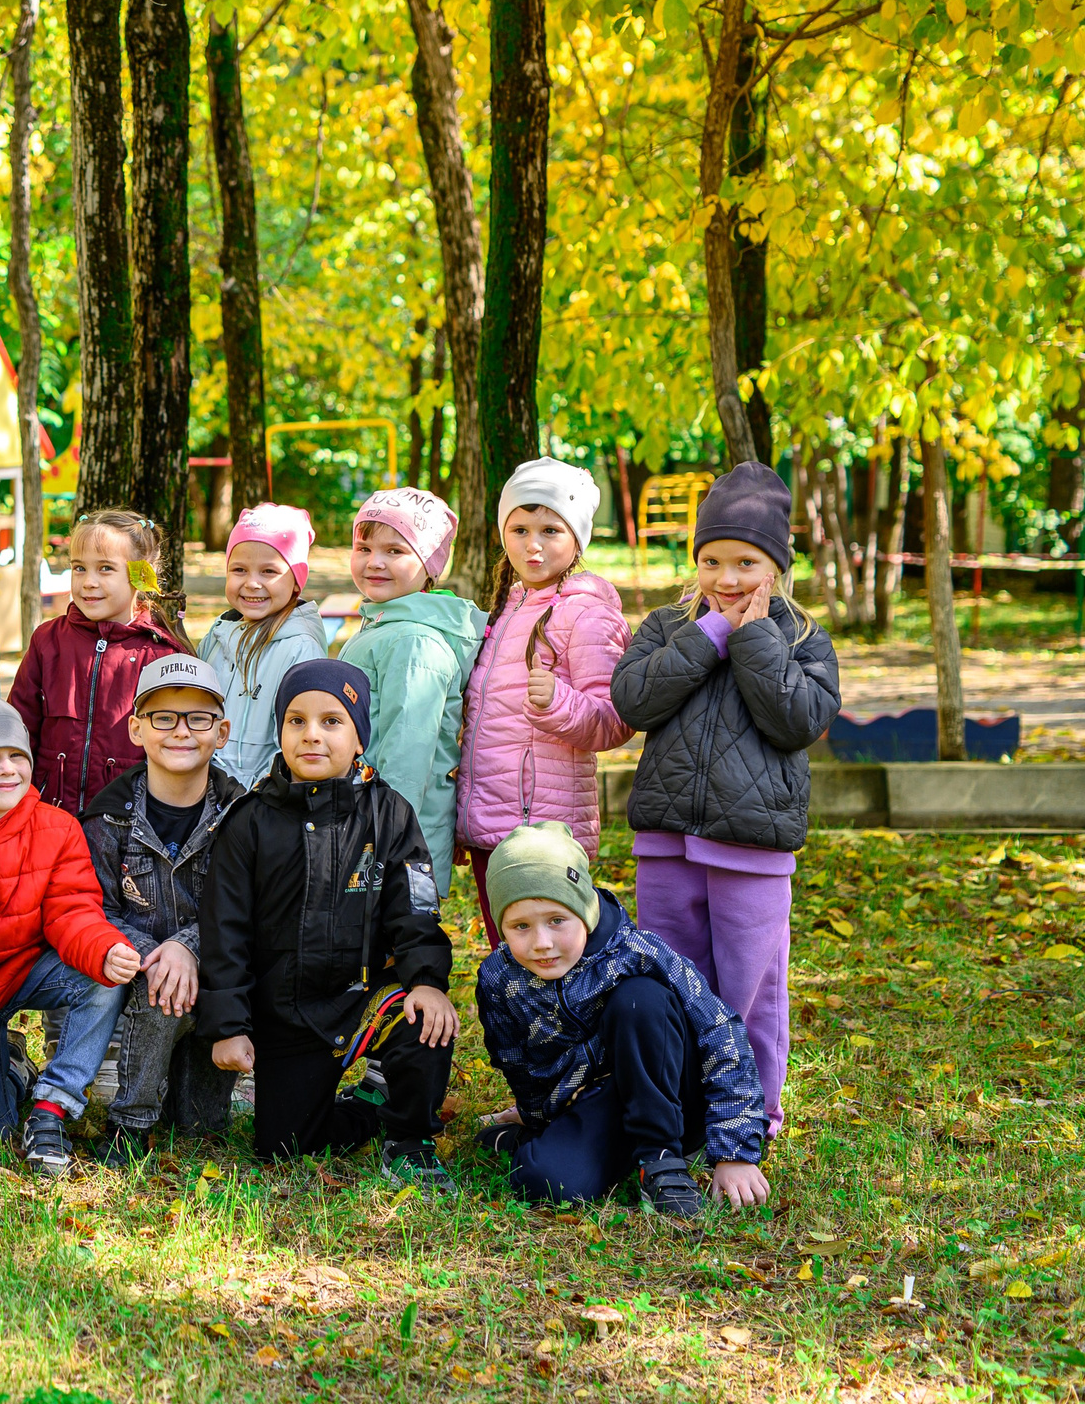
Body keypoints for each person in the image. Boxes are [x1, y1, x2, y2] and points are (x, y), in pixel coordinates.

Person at [611, 462, 840, 1137]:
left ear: (777, 564)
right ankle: (677, 1108)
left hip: (753, 849)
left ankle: (752, 1116)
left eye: (746, 560)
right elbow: (633, 699)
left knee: (750, 990)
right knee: (671, 982)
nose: (727, 577)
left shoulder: (802, 638)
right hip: (666, 841)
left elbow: (797, 720)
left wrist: (752, 639)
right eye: (712, 560)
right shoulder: (666, 626)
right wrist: (709, 634)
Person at [196, 659, 459, 1190]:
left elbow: (417, 909)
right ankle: (371, 1108)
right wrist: (228, 1025)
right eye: (297, 721)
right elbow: (225, 931)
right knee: (284, 1148)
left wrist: (427, 980)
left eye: (332, 721)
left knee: (423, 1017)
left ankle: (410, 1139)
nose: (312, 735)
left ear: (359, 737)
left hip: (363, 998)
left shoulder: (390, 815)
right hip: (286, 1011)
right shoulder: (249, 821)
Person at [474, 822, 772, 1219]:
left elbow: (721, 1032)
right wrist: (538, 1115)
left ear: (584, 909)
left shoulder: (637, 952)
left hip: (672, 1091)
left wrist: (735, 1151)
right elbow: (516, 1062)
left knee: (639, 998)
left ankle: (662, 1160)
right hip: (597, 1103)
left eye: (557, 920)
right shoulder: (499, 976)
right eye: (520, 926)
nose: (541, 942)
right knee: (543, 1181)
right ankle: (534, 1142)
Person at [0, 697, 137, 1176]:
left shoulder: (55, 828)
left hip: (24, 969)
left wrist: (103, 947)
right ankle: (12, 1068)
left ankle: (53, 1106)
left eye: (17, 756)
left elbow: (72, 909)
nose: (7, 769)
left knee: (102, 978)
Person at [458, 459, 633, 943]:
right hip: (489, 822)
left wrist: (559, 703)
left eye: (550, 530)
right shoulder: (506, 607)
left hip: (544, 831)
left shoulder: (587, 614)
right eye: (519, 529)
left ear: (577, 538)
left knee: (545, 956)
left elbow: (616, 720)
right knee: (505, 954)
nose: (532, 544)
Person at [81, 655, 248, 1160]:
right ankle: (129, 1124)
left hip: (224, 975)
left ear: (221, 732)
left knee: (199, 1125)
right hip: (141, 972)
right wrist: (158, 954)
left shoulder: (244, 816)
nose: (181, 731)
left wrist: (189, 948)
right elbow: (96, 907)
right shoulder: (107, 818)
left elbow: (250, 908)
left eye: (198, 718)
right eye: (163, 718)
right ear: (136, 728)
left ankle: (189, 1082)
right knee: (162, 989)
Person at [337, 487, 483, 901]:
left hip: (394, 846)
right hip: (366, 827)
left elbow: (407, 757)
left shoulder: (415, 642)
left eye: (395, 551)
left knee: (398, 954)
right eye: (363, 547)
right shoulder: (385, 625)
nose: (374, 562)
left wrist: (381, 843)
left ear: (429, 565)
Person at [9, 507, 192, 815]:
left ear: (139, 575)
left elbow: (174, 747)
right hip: (49, 816)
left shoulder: (162, 655)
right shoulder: (47, 641)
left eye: (105, 568)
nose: (88, 582)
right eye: (79, 568)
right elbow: (18, 727)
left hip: (127, 822)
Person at [195, 504, 325, 787]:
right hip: (206, 791)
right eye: (239, 569)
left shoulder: (301, 649)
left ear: (295, 582)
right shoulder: (217, 637)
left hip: (261, 802)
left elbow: (300, 739)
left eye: (268, 571)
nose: (252, 583)